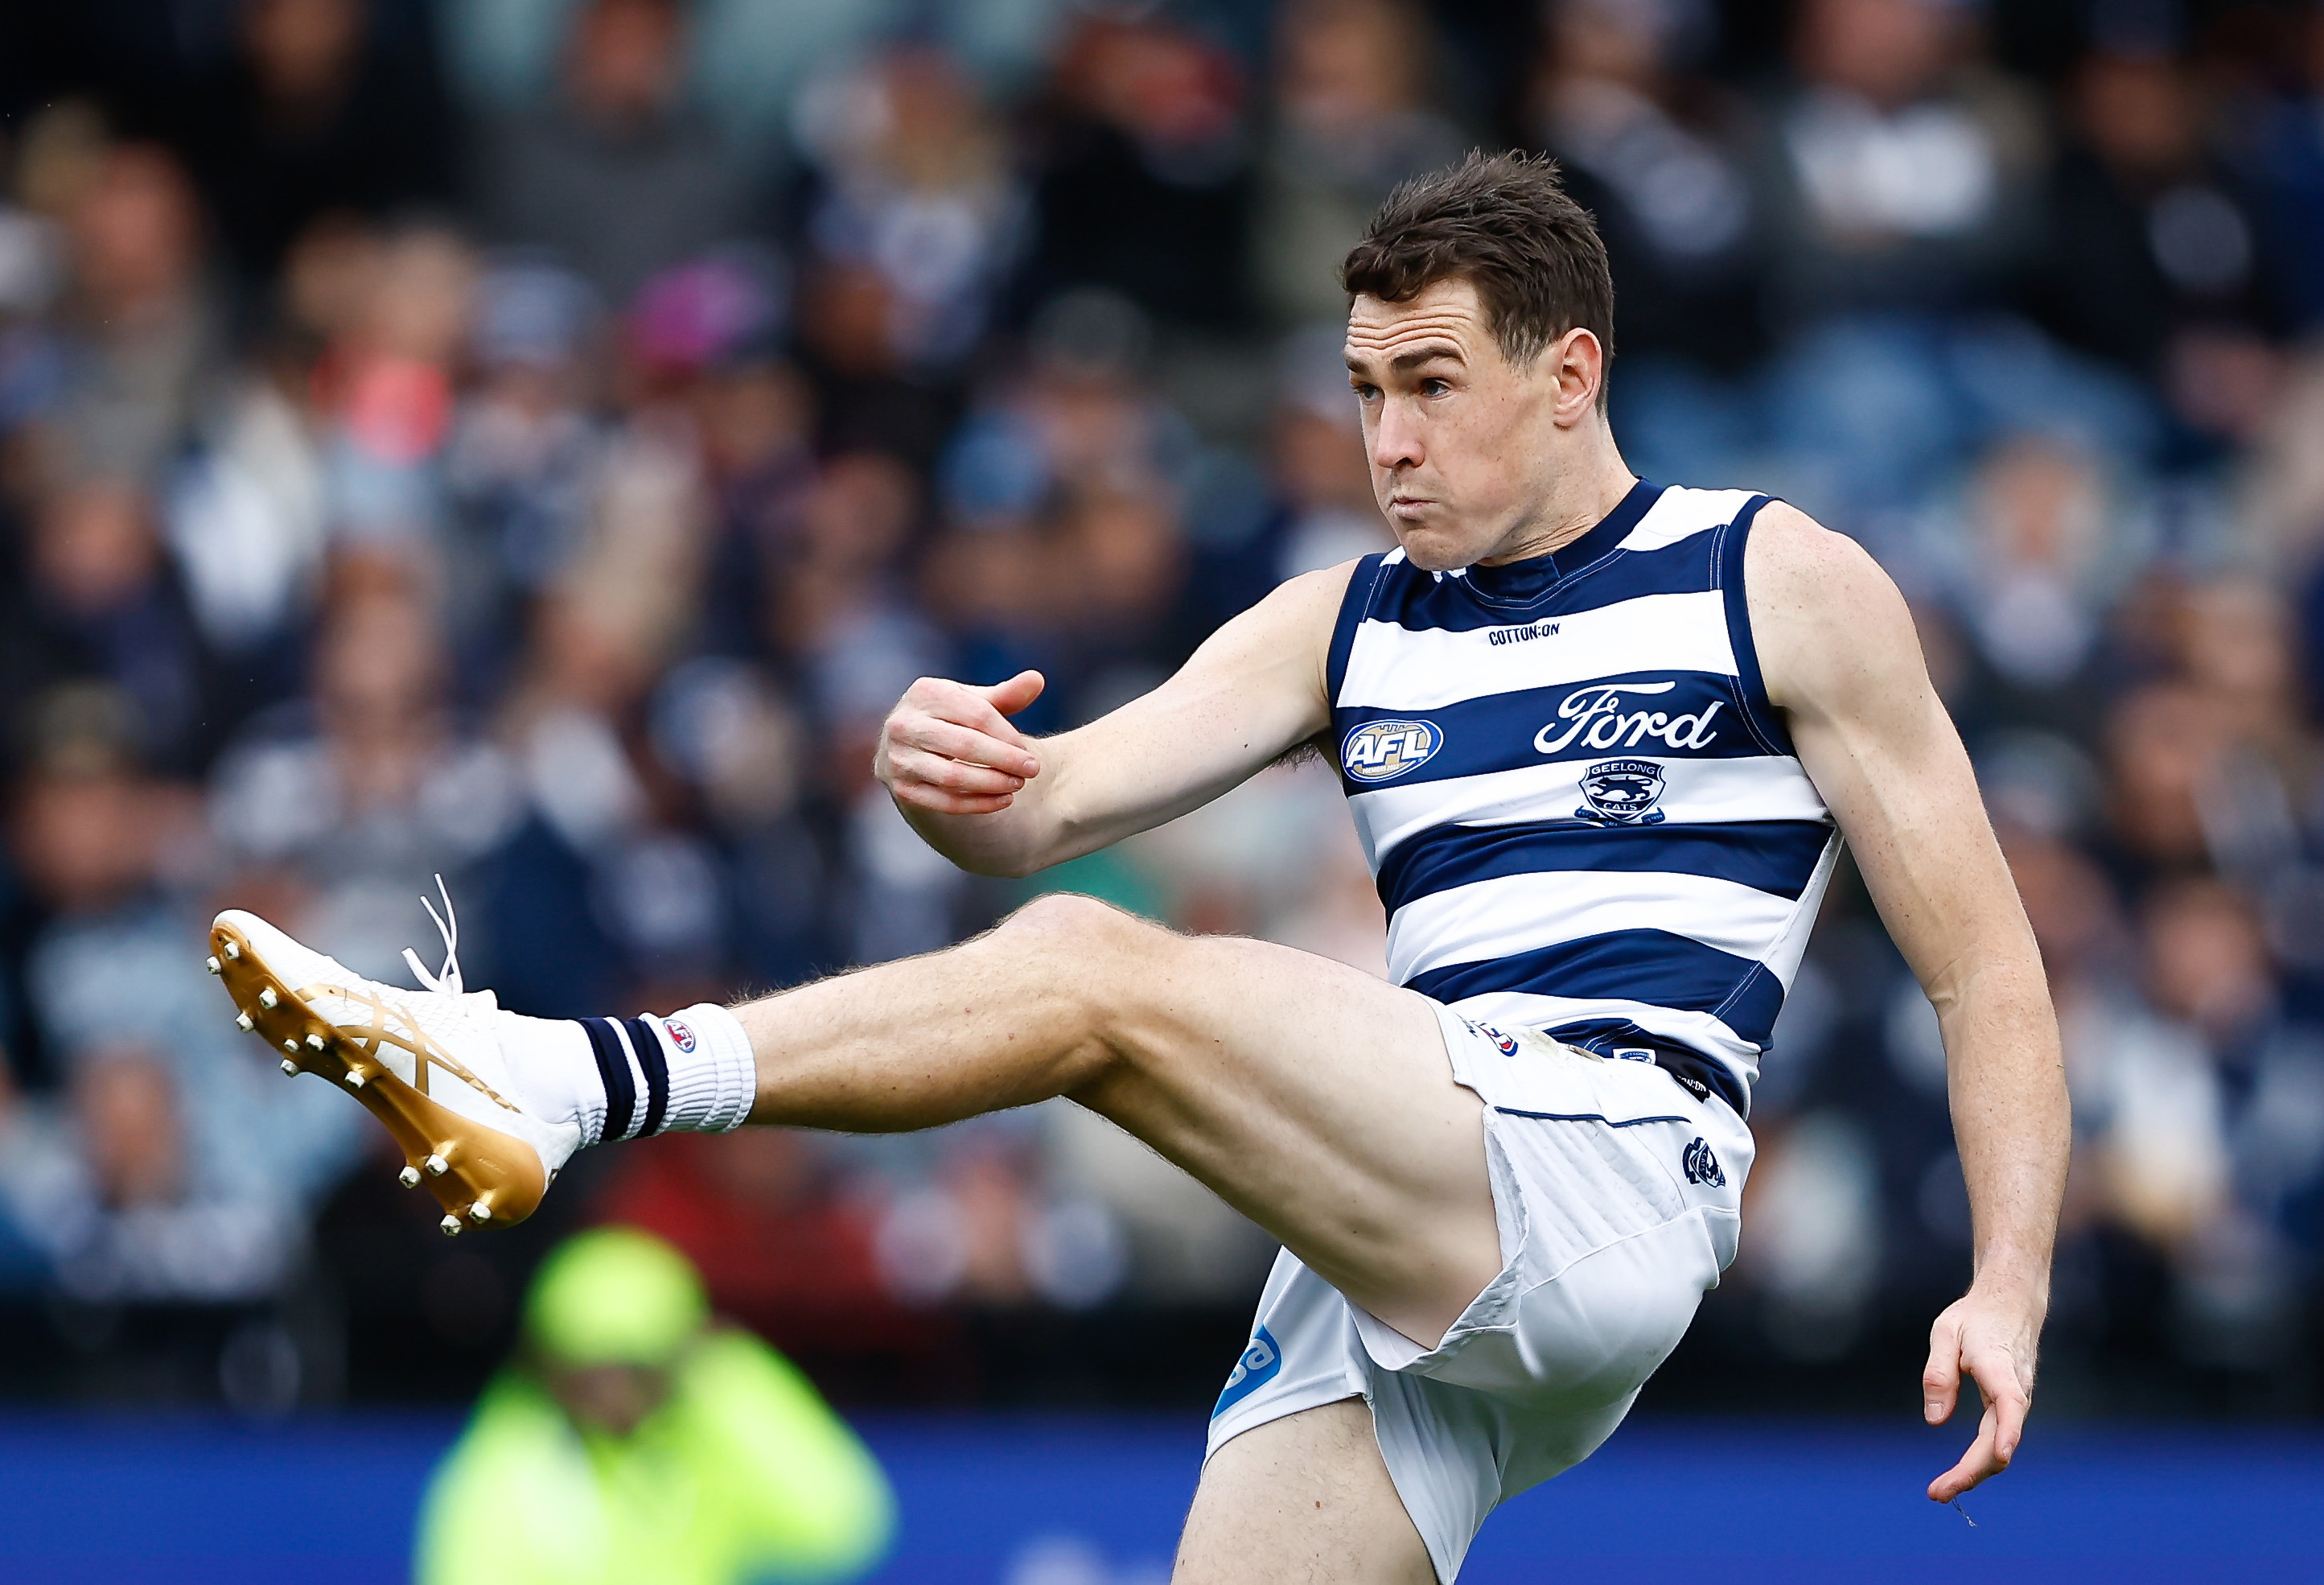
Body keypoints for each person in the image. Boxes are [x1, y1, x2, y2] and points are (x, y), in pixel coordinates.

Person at [206, 152, 2068, 1583]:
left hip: (1607, 1169)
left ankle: (557, 1078)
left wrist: (2006, 1278)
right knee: (1075, 952)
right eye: (1364, 389)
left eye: (1432, 383)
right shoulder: (1339, 621)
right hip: (1405, 1227)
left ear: (1569, 372)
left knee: (1095, 973)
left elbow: (1983, 965)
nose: (1389, 440)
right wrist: (938, 770)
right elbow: (1040, 811)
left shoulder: (1771, 578)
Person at [416, 1225, 893, 1585]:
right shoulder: (510, 1463)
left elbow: (843, 1528)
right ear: (549, 1366)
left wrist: (726, 1374)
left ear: (679, 1358)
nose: (613, 1396)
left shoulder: (713, 1432)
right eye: (588, 1373)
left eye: (636, 1369)